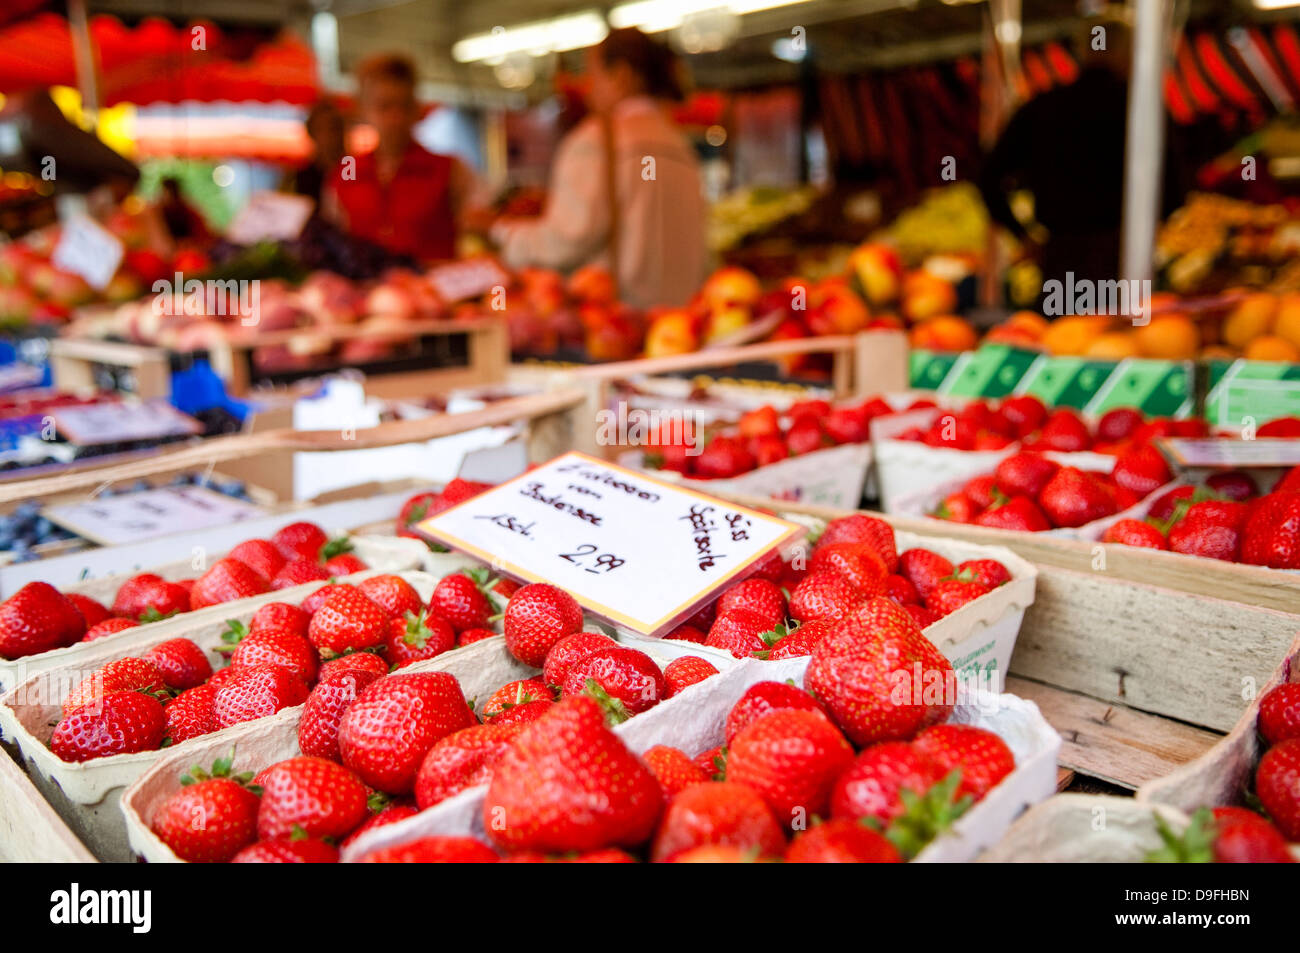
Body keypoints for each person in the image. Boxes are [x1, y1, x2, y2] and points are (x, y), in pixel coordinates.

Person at [492, 28, 708, 310]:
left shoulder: (594, 142)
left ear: (621, 76)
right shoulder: (681, 146)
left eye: (592, 74)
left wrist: (503, 233)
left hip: (616, 324)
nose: (587, 87)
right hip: (679, 326)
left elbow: (565, 240)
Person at [978, 17, 1190, 295]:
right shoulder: (1141, 108)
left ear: (1080, 51)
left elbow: (989, 177)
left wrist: (1023, 236)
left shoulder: (1042, 108)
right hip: (1124, 256)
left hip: (1061, 258)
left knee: (1064, 334)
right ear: (1130, 53)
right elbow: (1175, 186)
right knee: (1125, 331)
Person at [325, 53, 476, 261]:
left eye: (404, 105)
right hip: (366, 291)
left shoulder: (451, 170)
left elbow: (477, 233)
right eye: (384, 106)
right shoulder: (347, 173)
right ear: (363, 110)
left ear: (416, 108)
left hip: (433, 289)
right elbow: (333, 239)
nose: (395, 118)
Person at [290, 100, 345, 207]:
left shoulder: (353, 169)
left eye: (335, 128)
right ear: (312, 133)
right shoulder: (304, 175)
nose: (330, 135)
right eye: (322, 129)